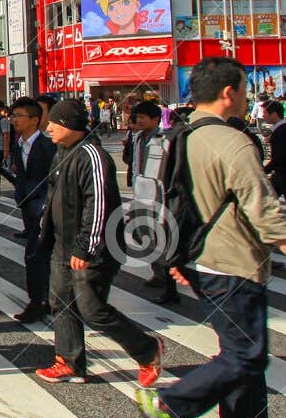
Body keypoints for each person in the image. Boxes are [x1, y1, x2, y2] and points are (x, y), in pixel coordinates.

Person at [137, 57, 286, 418]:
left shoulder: (182, 135)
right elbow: (262, 208)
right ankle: (169, 404)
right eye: (244, 90)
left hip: (204, 256)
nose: (247, 100)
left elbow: (172, 199)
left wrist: (179, 255)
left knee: (241, 354)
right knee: (246, 355)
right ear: (229, 93)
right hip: (233, 259)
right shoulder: (232, 141)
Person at [32, 99, 163, 386]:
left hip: (94, 249)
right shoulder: (61, 152)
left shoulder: (92, 155)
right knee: (61, 302)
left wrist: (86, 247)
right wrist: (45, 231)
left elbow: (99, 205)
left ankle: (146, 349)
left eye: (55, 122)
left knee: (92, 308)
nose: (49, 127)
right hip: (62, 245)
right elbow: (52, 196)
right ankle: (69, 362)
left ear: (69, 125)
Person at [127, 100, 180, 305]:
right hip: (141, 193)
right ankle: (158, 273)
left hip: (161, 196)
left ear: (156, 119)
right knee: (145, 235)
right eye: (137, 117)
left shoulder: (165, 139)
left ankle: (170, 286)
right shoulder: (138, 138)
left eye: (142, 117)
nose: (138, 120)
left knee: (164, 240)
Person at [9, 97, 55, 323]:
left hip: (46, 209)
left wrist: (48, 205)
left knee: (34, 255)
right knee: (40, 256)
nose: (14, 119)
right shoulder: (19, 144)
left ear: (35, 120)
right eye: (13, 115)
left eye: (19, 116)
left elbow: (54, 179)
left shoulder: (47, 146)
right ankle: (45, 300)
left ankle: (38, 302)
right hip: (29, 207)